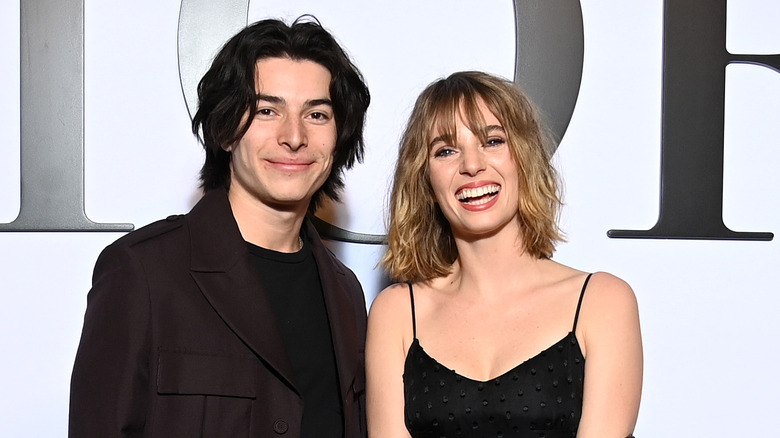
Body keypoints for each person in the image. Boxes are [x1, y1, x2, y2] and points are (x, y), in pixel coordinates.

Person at [69, 17, 370, 437]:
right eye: (268, 110)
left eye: (317, 114)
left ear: (339, 138)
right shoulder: (143, 274)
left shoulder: (346, 293)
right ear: (226, 130)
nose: (295, 136)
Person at [366, 71, 642, 437]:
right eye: (446, 150)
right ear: (427, 183)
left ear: (524, 159)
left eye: (493, 141)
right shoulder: (398, 311)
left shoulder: (601, 301)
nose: (472, 165)